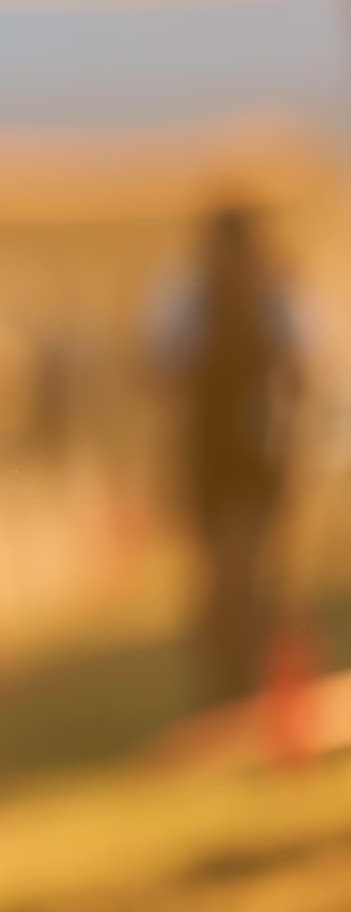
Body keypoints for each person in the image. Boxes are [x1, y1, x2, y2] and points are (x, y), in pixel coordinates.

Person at [150, 203, 306, 707]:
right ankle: (229, 688)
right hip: (213, 460)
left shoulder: (272, 300)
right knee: (222, 578)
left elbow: (298, 377)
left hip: (256, 458)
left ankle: (249, 685)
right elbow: (163, 378)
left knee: (252, 575)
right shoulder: (191, 304)